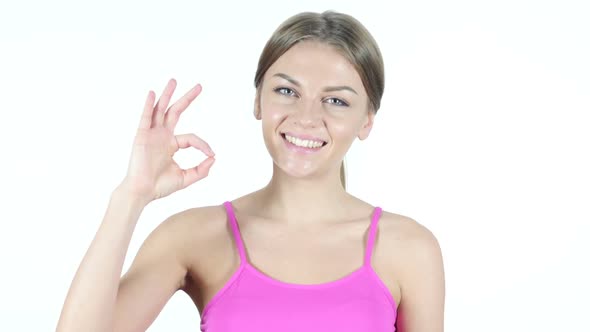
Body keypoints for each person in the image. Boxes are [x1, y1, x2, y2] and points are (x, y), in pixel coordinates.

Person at [56, 10, 445, 332]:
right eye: (287, 91)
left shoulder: (409, 249)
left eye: (336, 100)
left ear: (366, 121)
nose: (306, 117)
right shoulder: (193, 237)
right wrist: (131, 195)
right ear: (258, 100)